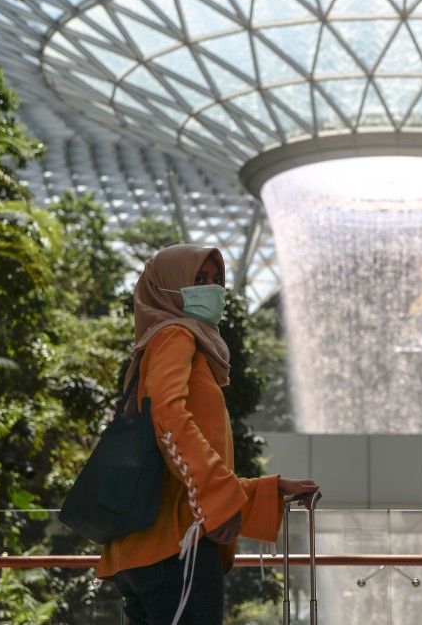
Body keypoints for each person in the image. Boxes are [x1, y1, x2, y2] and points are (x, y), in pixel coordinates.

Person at [96, 244, 319, 624]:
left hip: (151, 548)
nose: (213, 289)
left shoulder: (159, 345)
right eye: (198, 280)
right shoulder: (176, 336)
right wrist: (219, 501)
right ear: (168, 287)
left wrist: (266, 490)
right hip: (176, 550)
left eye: (217, 279)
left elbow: (173, 467)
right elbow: (169, 418)